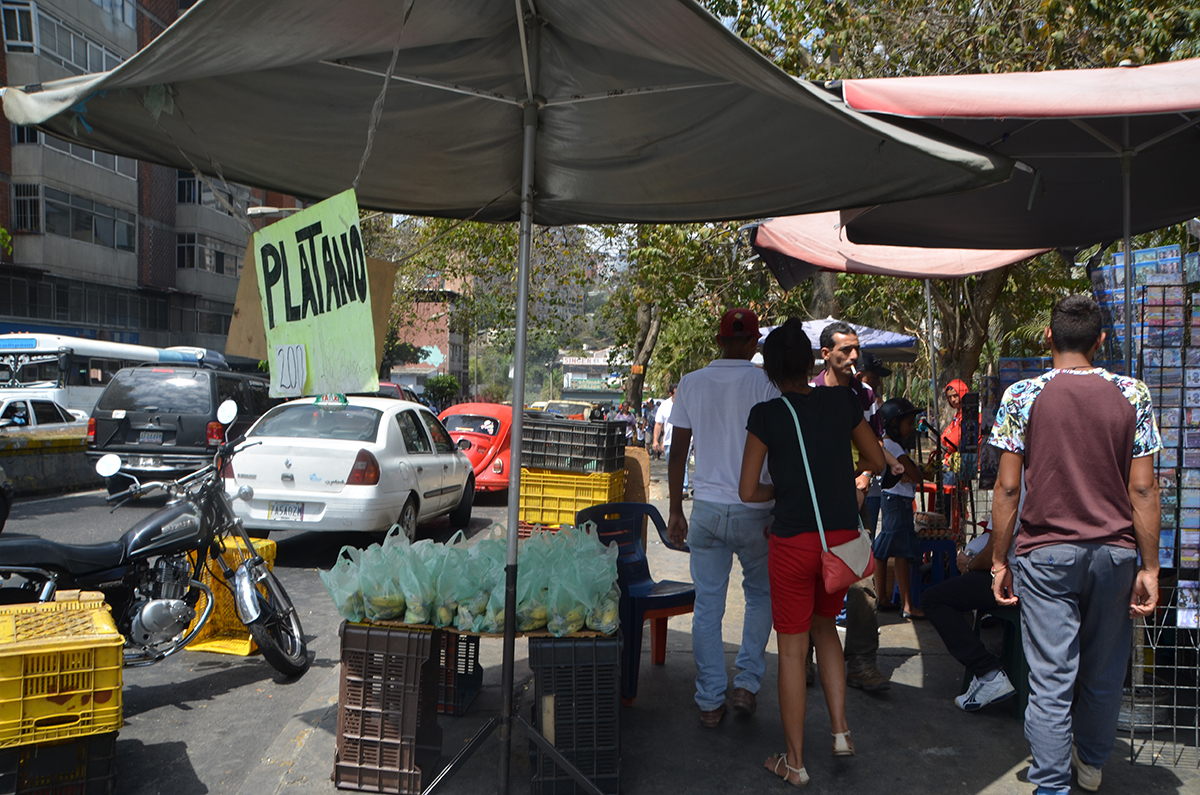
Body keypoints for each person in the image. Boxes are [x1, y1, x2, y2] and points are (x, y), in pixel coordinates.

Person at [989, 294, 1160, 795]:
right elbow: (1144, 488)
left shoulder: (1022, 396)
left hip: (1044, 554)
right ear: (1101, 342)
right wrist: (1149, 567)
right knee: (1106, 670)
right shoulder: (1133, 394)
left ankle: (1050, 784)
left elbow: (1006, 488)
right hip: (1115, 552)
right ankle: (1091, 764)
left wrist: (999, 558)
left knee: (1050, 678)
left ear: (1047, 337)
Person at [739, 317, 885, 786]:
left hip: (793, 546)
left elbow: (748, 490)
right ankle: (841, 731)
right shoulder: (842, 401)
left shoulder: (766, 416)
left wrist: (781, 493)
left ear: (771, 372)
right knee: (828, 632)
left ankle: (795, 761)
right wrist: (841, 480)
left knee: (791, 649)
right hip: (839, 544)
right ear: (809, 363)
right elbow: (876, 461)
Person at [665, 308, 778, 727]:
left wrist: (676, 508)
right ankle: (746, 684)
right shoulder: (767, 384)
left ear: (719, 341)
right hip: (756, 510)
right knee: (760, 596)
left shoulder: (691, 383)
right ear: (753, 342)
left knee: (708, 606)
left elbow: (678, 454)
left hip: (707, 511)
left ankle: (710, 700)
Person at [811, 320, 897, 691]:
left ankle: (861, 663)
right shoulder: (807, 392)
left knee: (862, 583)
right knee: (813, 580)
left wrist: (863, 481)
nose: (853, 357)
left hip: (854, 502)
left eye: (856, 349)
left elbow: (874, 447)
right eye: (845, 350)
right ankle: (803, 661)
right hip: (812, 505)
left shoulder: (865, 396)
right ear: (825, 354)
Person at [922, 516, 1018, 712]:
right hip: (1050, 575)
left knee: (933, 599)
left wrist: (970, 563)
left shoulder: (1013, 491)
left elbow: (994, 549)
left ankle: (988, 673)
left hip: (1014, 580)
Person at [872, 398, 926, 619]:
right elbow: (917, 476)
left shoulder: (891, 445)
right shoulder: (894, 447)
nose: (911, 428)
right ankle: (907, 605)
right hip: (899, 502)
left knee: (884, 548)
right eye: (909, 423)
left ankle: (882, 598)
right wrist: (913, 471)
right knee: (901, 553)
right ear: (894, 423)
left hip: (893, 499)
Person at [857, 351, 892, 534]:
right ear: (859, 374)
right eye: (874, 376)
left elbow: (878, 442)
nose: (878, 382)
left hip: (865, 487)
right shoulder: (818, 390)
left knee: (865, 542)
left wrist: (866, 474)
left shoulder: (869, 397)